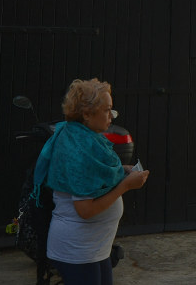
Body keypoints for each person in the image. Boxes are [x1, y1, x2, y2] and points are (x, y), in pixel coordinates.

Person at [33, 79, 149, 285]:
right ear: (86, 114)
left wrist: (120, 171)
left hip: (94, 248)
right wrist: (125, 185)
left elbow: (90, 177)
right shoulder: (79, 149)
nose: (111, 116)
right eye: (106, 110)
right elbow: (85, 210)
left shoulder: (82, 137)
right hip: (77, 251)